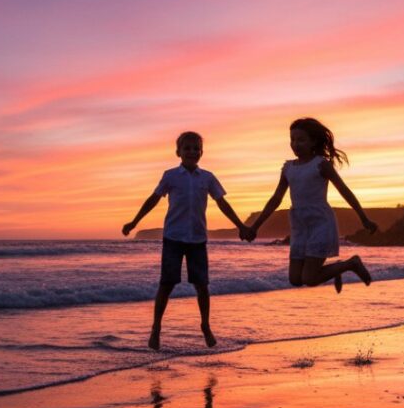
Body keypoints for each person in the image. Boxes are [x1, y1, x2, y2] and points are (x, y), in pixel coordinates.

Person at [123, 131, 252, 350]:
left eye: (196, 148)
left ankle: (205, 325)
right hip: (173, 237)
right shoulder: (170, 176)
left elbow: (222, 203)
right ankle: (156, 329)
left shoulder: (207, 177)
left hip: (197, 239)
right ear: (178, 152)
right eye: (187, 148)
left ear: (201, 152)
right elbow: (153, 199)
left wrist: (241, 226)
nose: (192, 152)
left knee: (202, 285)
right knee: (167, 284)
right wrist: (134, 221)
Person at [248, 117, 377, 291]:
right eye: (292, 140)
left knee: (309, 278)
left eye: (301, 140)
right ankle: (336, 268)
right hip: (300, 226)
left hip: (320, 223)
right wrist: (255, 226)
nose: (295, 144)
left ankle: (350, 264)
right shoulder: (288, 168)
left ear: (313, 141)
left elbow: (344, 191)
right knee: (295, 279)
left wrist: (364, 218)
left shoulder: (321, 165)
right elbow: (276, 199)